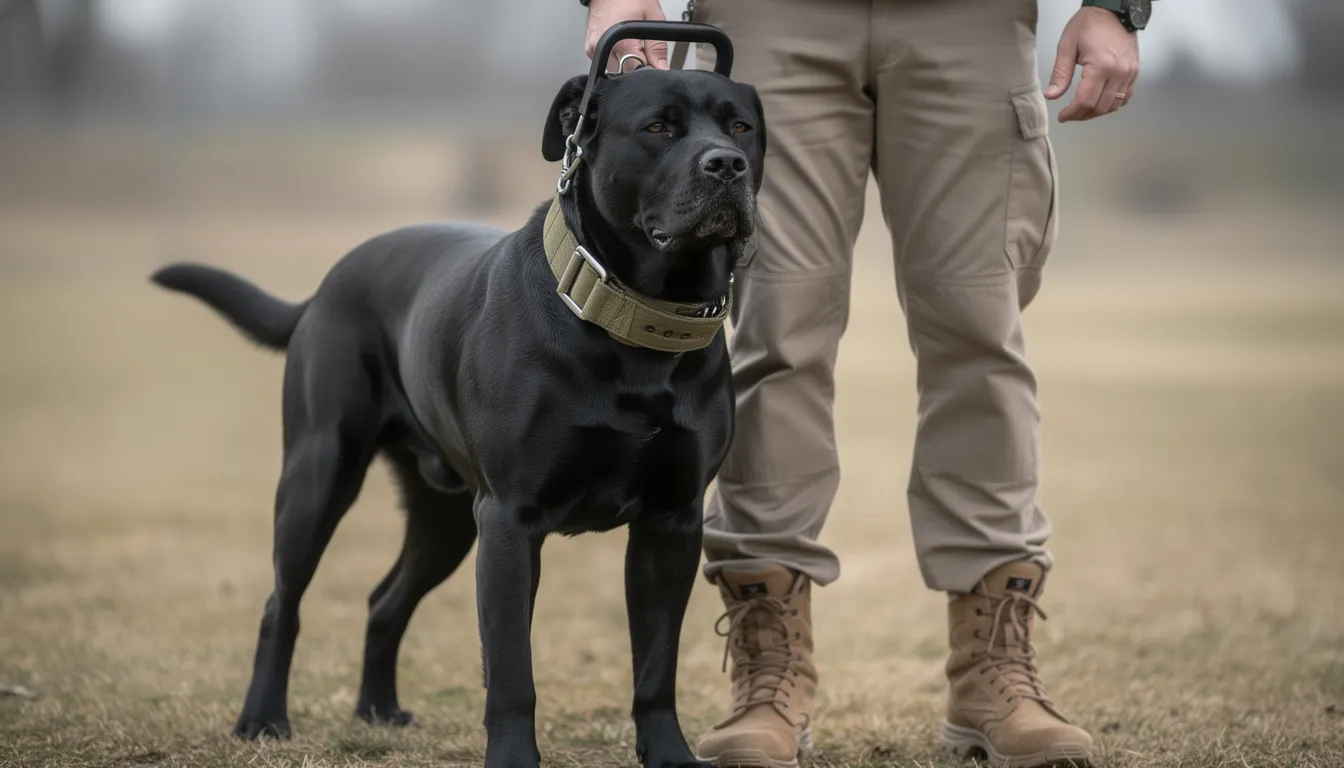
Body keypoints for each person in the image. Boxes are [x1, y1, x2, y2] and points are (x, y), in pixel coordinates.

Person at [579, 0, 1146, 765]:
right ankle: (768, 670)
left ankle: (991, 672)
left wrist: (1116, 5)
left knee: (981, 336)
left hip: (971, 21)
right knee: (774, 334)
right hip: (770, 17)